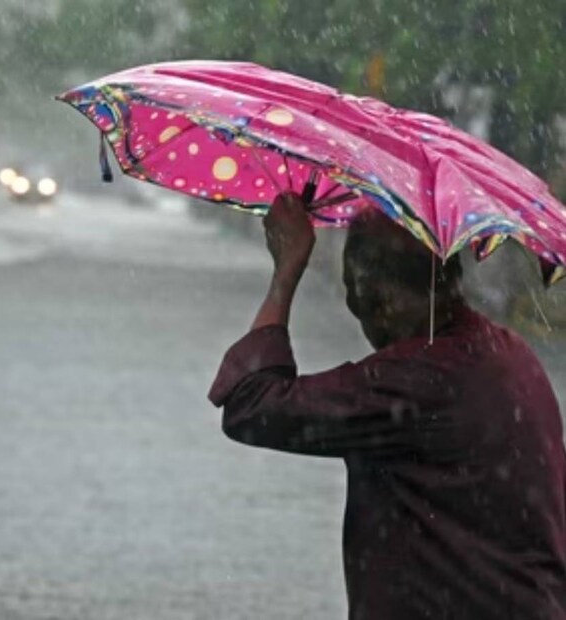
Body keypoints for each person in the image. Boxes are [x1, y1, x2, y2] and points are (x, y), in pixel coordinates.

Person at [208, 193, 566, 619]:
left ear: (379, 297)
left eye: (358, 299)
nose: (362, 317)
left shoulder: (418, 378)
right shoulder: (510, 354)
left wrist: (285, 272)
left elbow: (252, 405)